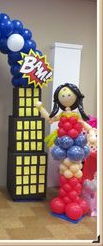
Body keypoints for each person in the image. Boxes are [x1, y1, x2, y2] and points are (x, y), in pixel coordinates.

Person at [36, 83, 97, 221]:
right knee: (65, 174)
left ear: (76, 97)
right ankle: (65, 199)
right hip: (64, 151)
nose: (65, 97)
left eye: (68, 95)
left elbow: (88, 127)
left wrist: (92, 134)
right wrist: (40, 108)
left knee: (74, 174)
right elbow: (50, 119)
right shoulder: (61, 114)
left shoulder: (76, 115)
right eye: (62, 95)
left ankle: (73, 200)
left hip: (75, 151)